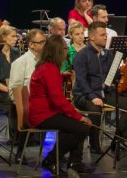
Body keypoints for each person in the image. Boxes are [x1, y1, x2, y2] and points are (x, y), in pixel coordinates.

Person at [29, 35, 94, 175]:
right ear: (58, 51)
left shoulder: (47, 66)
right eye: (65, 48)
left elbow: (50, 86)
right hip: (42, 115)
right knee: (81, 128)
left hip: (45, 112)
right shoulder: (49, 69)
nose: (67, 51)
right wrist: (78, 116)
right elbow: (58, 99)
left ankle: (74, 162)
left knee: (77, 126)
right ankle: (50, 160)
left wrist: (62, 77)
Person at [72, 21, 127, 154]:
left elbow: (114, 76)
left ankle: (118, 141)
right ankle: (94, 145)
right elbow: (81, 81)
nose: (105, 37)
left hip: (104, 93)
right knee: (95, 109)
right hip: (84, 95)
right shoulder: (82, 55)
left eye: (105, 34)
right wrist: (93, 97)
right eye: (102, 35)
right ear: (92, 37)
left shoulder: (108, 54)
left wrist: (126, 65)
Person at [8, 28, 46, 161]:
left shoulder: (46, 62)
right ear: (31, 44)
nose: (44, 45)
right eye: (41, 42)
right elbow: (14, 90)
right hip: (28, 104)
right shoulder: (20, 62)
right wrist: (23, 105)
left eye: (45, 42)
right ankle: (20, 151)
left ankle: (57, 154)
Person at [0, 24, 21, 145]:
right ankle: (14, 139)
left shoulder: (15, 52)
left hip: (14, 87)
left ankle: (26, 136)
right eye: (13, 36)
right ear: (3, 37)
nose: (16, 39)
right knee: (13, 103)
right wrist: (11, 91)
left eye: (16, 36)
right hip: (1, 92)